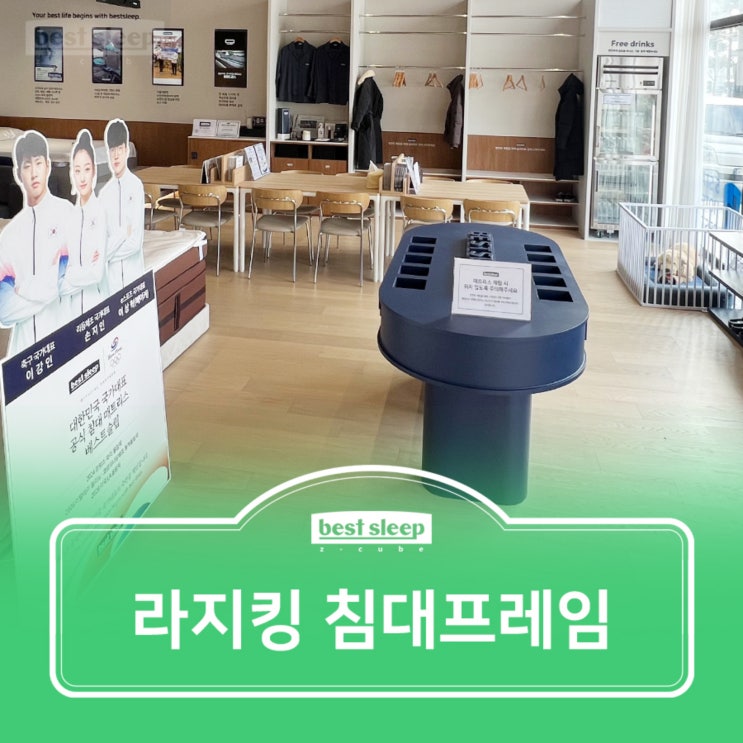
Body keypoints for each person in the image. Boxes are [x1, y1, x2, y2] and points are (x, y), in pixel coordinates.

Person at [0, 130, 74, 356]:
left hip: (63, 332)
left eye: (38, 163)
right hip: (23, 347)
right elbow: (4, 309)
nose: (33, 172)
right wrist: (50, 285)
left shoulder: (66, 213)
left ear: (48, 166)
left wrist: (26, 289)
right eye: (26, 166)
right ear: (18, 173)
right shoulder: (10, 233)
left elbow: (72, 280)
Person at [60, 129, 107, 314]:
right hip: (68, 308)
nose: (82, 177)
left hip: (92, 304)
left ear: (94, 171)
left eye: (86, 169)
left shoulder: (101, 213)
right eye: (77, 170)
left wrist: (64, 277)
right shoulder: (69, 215)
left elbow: (95, 273)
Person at [98, 118, 144, 292]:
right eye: (112, 150)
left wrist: (105, 255)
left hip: (133, 276)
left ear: (126, 150)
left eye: (119, 149)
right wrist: (123, 233)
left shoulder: (135, 186)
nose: (116, 155)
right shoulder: (104, 194)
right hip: (111, 281)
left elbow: (135, 242)